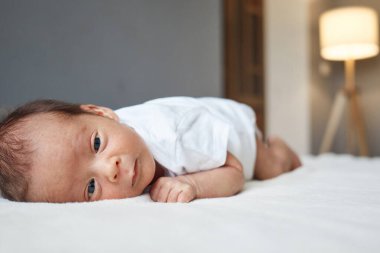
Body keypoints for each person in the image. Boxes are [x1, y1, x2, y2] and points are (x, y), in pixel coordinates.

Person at [0, 97, 301, 203]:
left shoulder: (174, 133)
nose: (110, 169)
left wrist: (192, 184)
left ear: (101, 113)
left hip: (233, 131)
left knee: (269, 168)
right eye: (91, 188)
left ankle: (277, 146)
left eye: (96, 144)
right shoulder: (123, 148)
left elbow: (234, 174)